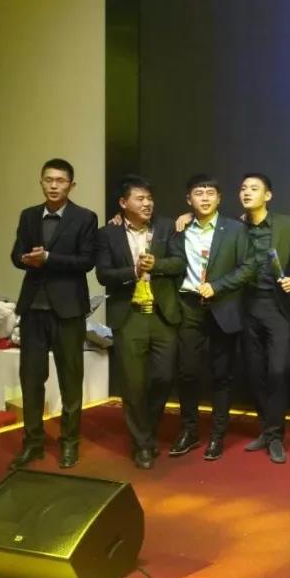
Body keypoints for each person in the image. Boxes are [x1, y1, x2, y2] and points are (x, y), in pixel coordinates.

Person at [9, 158, 98, 469]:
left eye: (60, 180)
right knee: (31, 379)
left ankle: (69, 443)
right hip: (33, 308)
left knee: (70, 380)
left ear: (71, 185)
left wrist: (49, 258)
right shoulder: (29, 215)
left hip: (68, 309)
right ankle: (32, 443)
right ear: (41, 182)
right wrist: (26, 259)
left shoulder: (85, 217)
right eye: (48, 180)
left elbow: (86, 261)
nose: (54, 185)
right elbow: (15, 255)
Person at [95, 175, 185, 469]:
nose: (147, 204)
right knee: (133, 385)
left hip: (162, 314)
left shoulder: (166, 227)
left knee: (163, 377)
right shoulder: (108, 234)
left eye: (149, 198)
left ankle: (146, 431)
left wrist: (156, 265)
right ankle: (142, 444)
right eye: (140, 199)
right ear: (123, 203)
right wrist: (132, 272)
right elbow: (103, 274)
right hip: (129, 315)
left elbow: (180, 262)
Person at [169, 174, 247, 462]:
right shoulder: (179, 229)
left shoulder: (235, 229)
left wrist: (218, 286)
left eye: (210, 193)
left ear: (219, 198)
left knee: (222, 375)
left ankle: (217, 435)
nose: (205, 198)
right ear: (189, 199)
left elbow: (246, 268)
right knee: (188, 372)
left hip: (222, 305)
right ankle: (189, 430)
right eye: (198, 193)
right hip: (189, 306)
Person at [234, 173, 290, 463]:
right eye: (243, 188)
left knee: (278, 370)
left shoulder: (287, 224)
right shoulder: (235, 228)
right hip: (246, 306)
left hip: (277, 306)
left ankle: (275, 436)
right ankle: (268, 429)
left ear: (268, 195)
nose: (247, 192)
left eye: (254, 188)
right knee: (255, 373)